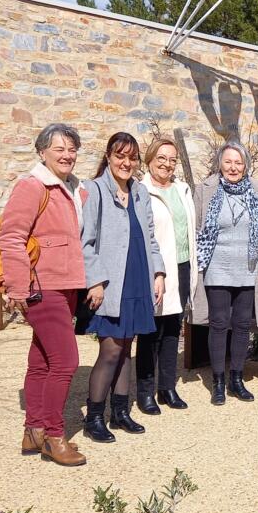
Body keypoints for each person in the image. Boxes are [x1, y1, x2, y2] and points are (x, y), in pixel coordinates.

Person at [0, 123, 88, 467]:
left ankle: (32, 430)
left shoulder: (73, 189)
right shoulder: (32, 186)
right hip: (41, 286)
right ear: (42, 152)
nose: (67, 155)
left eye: (72, 149)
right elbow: (11, 237)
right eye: (59, 149)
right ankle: (53, 435)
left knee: (42, 359)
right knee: (66, 361)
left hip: (65, 286)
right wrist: (17, 287)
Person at [80, 131, 166, 442]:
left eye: (131, 158)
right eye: (120, 156)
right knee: (111, 349)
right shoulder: (95, 190)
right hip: (111, 282)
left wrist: (158, 273)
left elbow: (150, 238)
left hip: (137, 277)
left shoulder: (140, 192)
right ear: (108, 156)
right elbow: (85, 242)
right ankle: (94, 417)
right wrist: (96, 281)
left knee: (127, 347)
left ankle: (120, 411)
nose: (126, 163)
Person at [191, 141, 258, 406]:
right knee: (219, 323)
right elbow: (198, 227)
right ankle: (219, 381)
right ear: (220, 164)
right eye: (228, 162)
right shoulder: (206, 190)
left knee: (243, 325)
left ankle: (237, 377)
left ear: (245, 165)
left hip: (247, 268)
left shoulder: (257, 191)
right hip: (217, 267)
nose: (233, 167)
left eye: (238, 162)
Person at [136, 137, 198, 415]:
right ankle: (145, 392)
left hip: (182, 267)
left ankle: (168, 387)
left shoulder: (182, 189)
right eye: (161, 158)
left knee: (173, 328)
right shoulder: (141, 191)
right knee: (150, 332)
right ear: (149, 160)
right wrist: (152, 271)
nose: (167, 164)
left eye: (172, 159)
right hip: (156, 270)